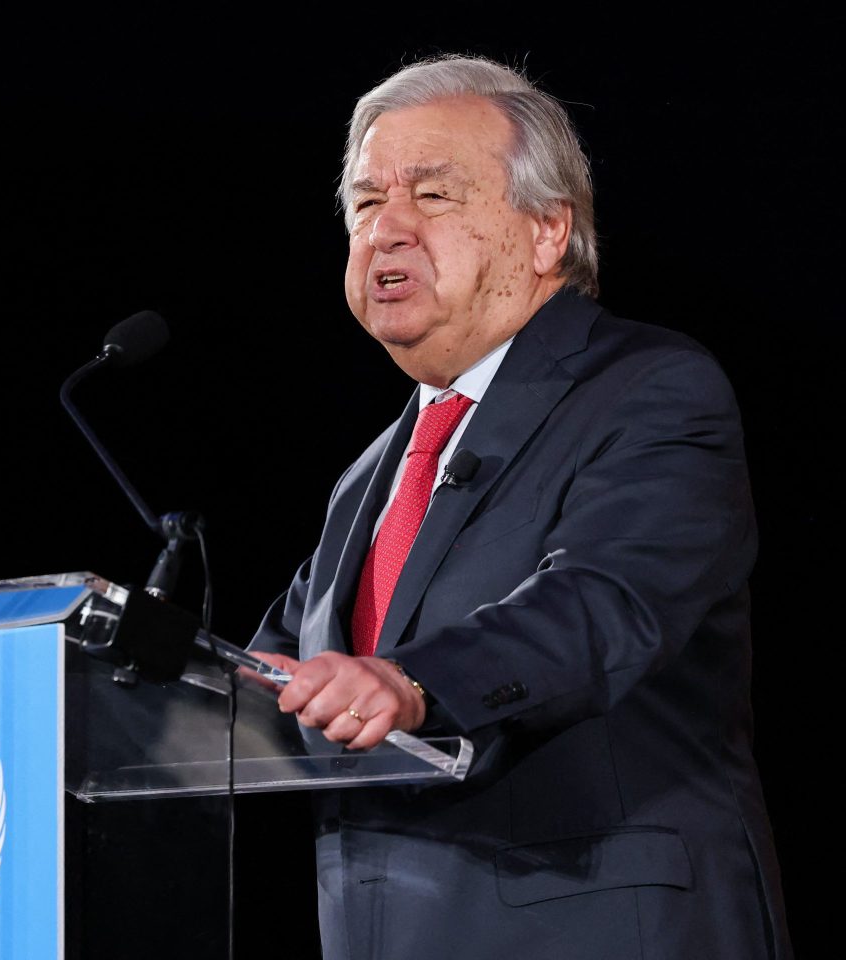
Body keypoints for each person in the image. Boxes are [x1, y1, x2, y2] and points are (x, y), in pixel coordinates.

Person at [248, 55, 792, 959]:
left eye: (433, 196)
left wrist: (415, 683)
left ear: (547, 232)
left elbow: (602, 603)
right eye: (365, 203)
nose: (386, 230)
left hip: (597, 928)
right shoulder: (368, 479)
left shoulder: (651, 391)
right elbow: (267, 675)